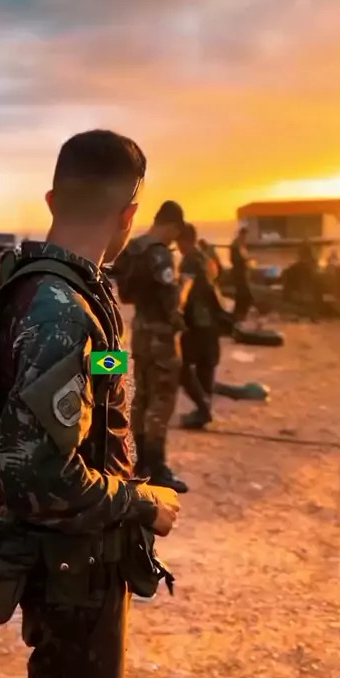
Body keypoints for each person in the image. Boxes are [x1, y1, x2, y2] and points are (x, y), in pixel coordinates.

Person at [0, 130, 181, 678]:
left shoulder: (68, 291)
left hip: (80, 552)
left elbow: (97, 389)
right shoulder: (62, 308)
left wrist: (117, 426)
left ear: (54, 199)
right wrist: (142, 502)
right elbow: (39, 475)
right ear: (130, 214)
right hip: (74, 562)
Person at [113, 201, 188, 493]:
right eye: (175, 233)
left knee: (142, 397)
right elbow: (170, 300)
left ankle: (140, 462)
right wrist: (179, 317)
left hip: (141, 330)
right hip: (161, 334)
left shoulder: (134, 248)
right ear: (172, 226)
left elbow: (126, 294)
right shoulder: (160, 254)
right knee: (162, 399)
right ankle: (156, 467)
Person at [178, 223, 231, 429]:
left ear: (184, 240)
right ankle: (203, 411)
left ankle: (203, 409)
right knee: (205, 367)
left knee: (181, 367)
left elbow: (186, 295)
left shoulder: (189, 262)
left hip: (197, 323)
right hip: (211, 323)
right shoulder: (207, 259)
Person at [230, 225, 254, 323]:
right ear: (241, 234)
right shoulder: (236, 245)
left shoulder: (240, 244)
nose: (245, 238)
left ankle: (240, 315)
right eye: (245, 235)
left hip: (242, 272)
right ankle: (239, 315)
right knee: (244, 295)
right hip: (239, 273)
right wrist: (245, 260)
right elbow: (235, 259)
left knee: (242, 295)